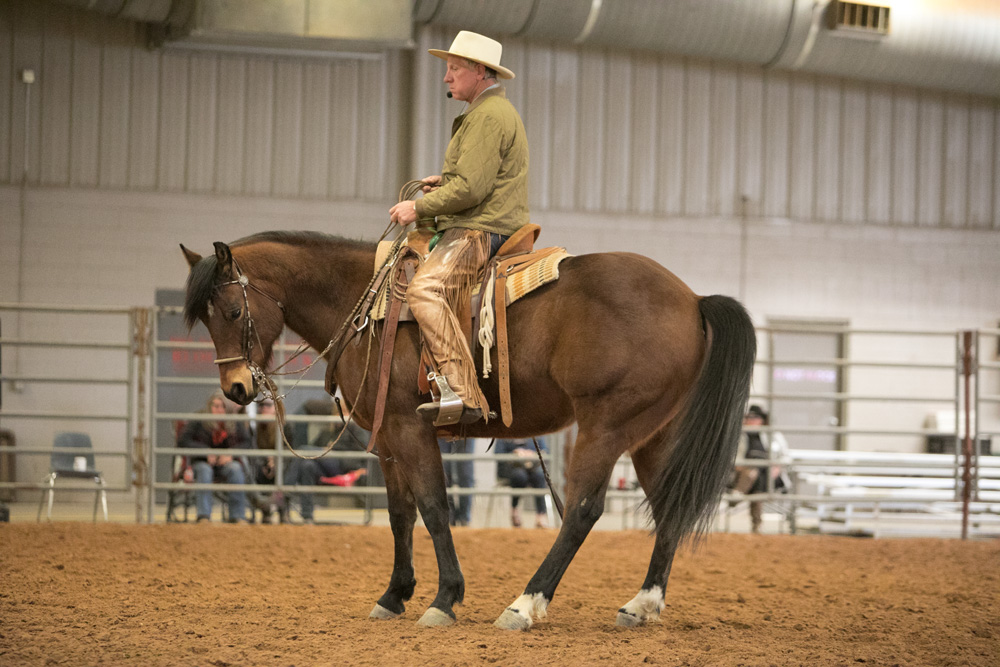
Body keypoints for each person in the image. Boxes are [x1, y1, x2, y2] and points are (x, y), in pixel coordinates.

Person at [388, 30, 530, 426]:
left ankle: (464, 393)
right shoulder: (487, 113)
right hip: (482, 219)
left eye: (454, 69)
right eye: (447, 69)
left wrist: (418, 207)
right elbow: (471, 179)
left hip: (480, 229)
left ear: (480, 72)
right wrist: (443, 184)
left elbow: (472, 189)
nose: (447, 77)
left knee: (425, 290)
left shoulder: (487, 117)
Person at [282, 399, 369, 524]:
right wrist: (321, 451)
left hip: (342, 465)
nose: (339, 416)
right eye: (336, 413)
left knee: (303, 450)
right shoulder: (327, 432)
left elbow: (361, 451)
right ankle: (307, 516)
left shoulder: (354, 429)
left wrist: (331, 450)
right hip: (324, 468)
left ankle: (285, 491)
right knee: (307, 465)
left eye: (343, 412)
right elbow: (314, 448)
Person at [177, 390, 250, 523]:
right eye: (215, 406)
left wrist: (230, 454)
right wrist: (205, 452)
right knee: (205, 470)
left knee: (236, 469)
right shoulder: (199, 419)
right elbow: (183, 440)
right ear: (209, 407)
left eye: (222, 406)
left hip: (226, 463)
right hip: (202, 462)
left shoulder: (234, 422)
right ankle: (203, 516)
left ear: (226, 408)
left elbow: (247, 442)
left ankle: (237, 515)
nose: (218, 410)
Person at [730, 405, 790, 534]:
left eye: (755, 417)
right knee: (754, 476)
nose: (751, 420)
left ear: (762, 420)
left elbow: (786, 457)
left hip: (770, 476)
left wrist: (777, 467)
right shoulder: (739, 435)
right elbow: (732, 458)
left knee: (755, 475)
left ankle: (736, 496)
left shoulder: (773, 435)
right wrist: (738, 465)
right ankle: (757, 526)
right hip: (744, 474)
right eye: (748, 417)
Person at [495, 438, 549, 528]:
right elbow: (498, 453)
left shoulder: (536, 432)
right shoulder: (504, 435)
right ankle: (515, 510)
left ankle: (541, 514)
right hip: (511, 468)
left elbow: (545, 451)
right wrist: (514, 454)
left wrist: (531, 454)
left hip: (532, 467)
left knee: (539, 476)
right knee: (519, 476)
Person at [439, 438, 475, 527]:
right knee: (442, 472)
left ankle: (464, 519)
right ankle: (448, 518)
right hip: (440, 427)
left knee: (465, 473)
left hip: (466, 428)